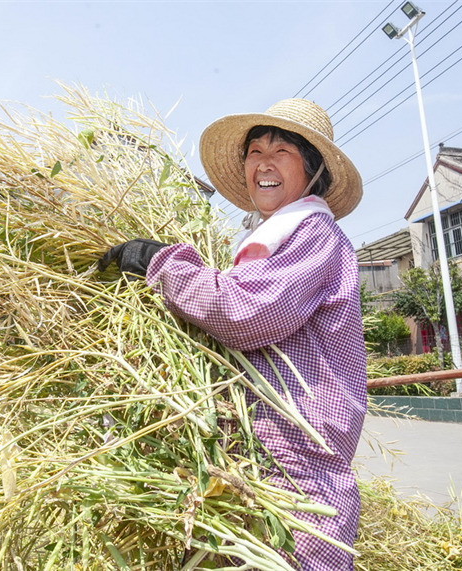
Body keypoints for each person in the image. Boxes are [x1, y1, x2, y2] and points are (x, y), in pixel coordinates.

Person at [99, 98, 366, 570]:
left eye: (281, 150)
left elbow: (246, 311)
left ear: (312, 167)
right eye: (253, 151)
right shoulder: (269, 240)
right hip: (248, 464)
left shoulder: (312, 235)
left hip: (294, 475)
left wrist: (158, 262)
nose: (263, 162)